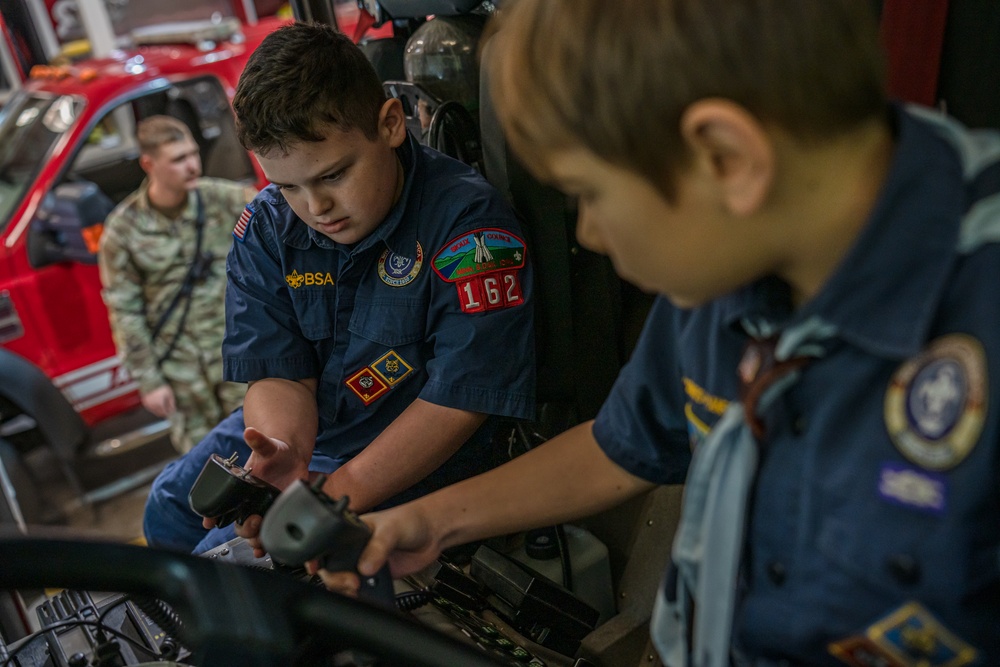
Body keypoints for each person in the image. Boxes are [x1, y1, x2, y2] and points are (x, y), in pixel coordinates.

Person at [322, 1, 1000, 665]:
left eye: (590, 192)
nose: (588, 230)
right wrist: (433, 520)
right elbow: (623, 444)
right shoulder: (733, 245)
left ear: (725, 157)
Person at [141, 22, 535, 555]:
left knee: (240, 563)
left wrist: (329, 497)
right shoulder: (267, 226)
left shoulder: (468, 229)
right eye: (288, 186)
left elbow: (460, 400)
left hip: (407, 448)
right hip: (314, 424)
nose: (315, 207)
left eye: (333, 175)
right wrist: (283, 450)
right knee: (169, 508)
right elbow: (280, 372)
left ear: (390, 125)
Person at [99, 115, 254, 454]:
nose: (192, 166)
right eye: (178, 159)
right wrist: (149, 381)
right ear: (148, 164)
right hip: (180, 370)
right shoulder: (123, 230)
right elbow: (125, 310)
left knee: (259, 442)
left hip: (236, 351)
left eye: (193, 154)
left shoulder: (225, 200)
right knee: (204, 461)